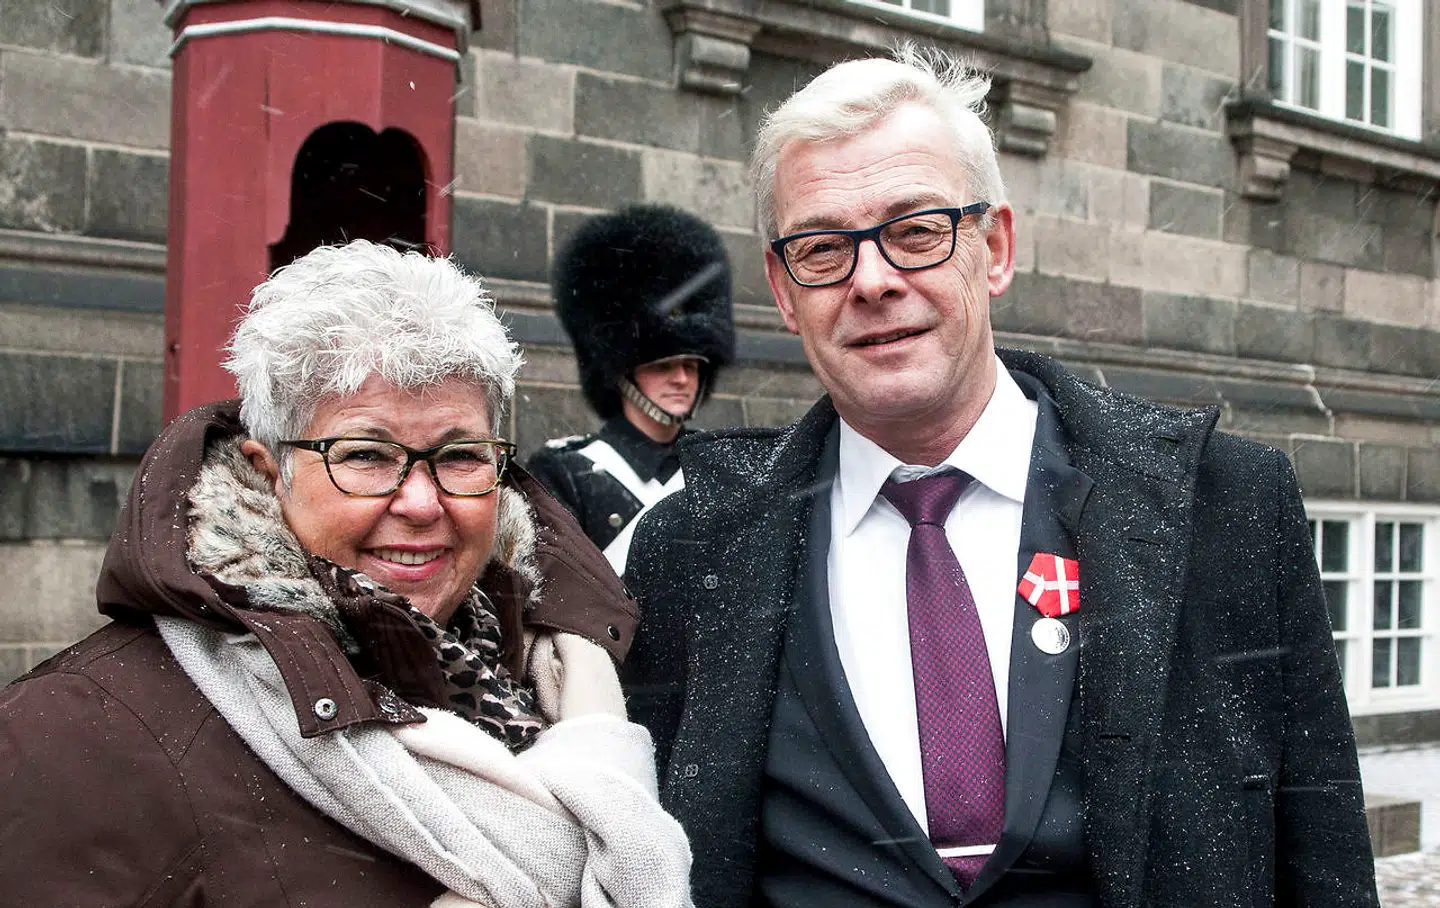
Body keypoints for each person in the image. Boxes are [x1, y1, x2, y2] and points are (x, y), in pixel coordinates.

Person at [621, 47, 1378, 908]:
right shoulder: (689, 553)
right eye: (823, 248)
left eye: (915, 231)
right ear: (784, 291)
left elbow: (1322, 854)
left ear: (995, 247)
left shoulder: (1227, 508)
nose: (872, 281)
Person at [0, 241, 693, 907]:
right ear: (271, 472)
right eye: (364, 455)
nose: (422, 503)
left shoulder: (582, 674)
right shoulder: (75, 739)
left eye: (459, 456)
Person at [527, 204, 735, 576]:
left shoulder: (718, 467)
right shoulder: (566, 472)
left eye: (691, 366)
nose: (682, 379)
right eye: (662, 366)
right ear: (623, 373)